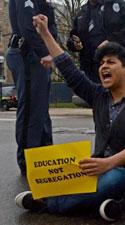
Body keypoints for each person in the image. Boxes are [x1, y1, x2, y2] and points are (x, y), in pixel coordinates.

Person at [15, 14, 125, 222]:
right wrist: (45, 34)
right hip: (98, 167)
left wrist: (109, 163)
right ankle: (111, 204)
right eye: (101, 63)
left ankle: (48, 204)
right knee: (66, 170)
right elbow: (68, 69)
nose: (103, 67)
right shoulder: (98, 95)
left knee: (114, 178)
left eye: (110, 62)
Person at [5, 0, 57, 176]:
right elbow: (28, 26)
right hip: (27, 54)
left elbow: (51, 27)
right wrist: (46, 52)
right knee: (31, 109)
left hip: (37, 56)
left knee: (40, 110)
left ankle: (44, 156)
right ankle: (29, 162)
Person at [67, 0, 125, 83]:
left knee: (118, 95)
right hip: (91, 68)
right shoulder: (82, 13)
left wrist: (111, 42)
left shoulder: (118, 5)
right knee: (95, 95)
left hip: (118, 62)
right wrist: (75, 43)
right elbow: (72, 38)